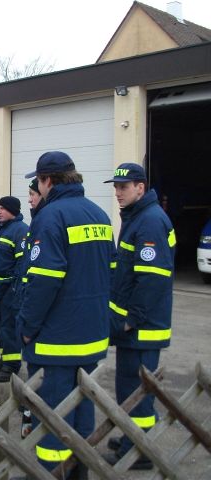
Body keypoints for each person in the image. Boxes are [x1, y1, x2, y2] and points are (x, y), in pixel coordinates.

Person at [16, 151, 114, 478]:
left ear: (47, 181)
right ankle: (78, 474)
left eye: (38, 182)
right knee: (82, 414)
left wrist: (27, 327)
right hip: (91, 337)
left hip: (57, 341)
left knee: (52, 422)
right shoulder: (100, 215)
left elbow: (44, 280)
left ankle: (51, 473)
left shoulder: (50, 216)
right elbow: (110, 272)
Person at [102, 163, 175, 470]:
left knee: (138, 392)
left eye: (124, 186)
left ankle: (141, 451)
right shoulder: (138, 217)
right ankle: (134, 438)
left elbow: (152, 278)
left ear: (140, 188)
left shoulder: (150, 222)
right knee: (129, 389)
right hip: (134, 328)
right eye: (116, 187)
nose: (118, 192)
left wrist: (132, 318)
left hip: (142, 329)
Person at [0, 196, 28, 382]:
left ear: (13, 210)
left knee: (9, 327)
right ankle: (5, 358)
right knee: (0, 326)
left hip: (9, 288)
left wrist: (15, 288)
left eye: (3, 208)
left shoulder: (21, 230)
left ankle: (12, 365)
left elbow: (22, 263)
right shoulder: (3, 229)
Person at [15, 178, 46, 438]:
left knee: (42, 382)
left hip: (42, 326)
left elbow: (43, 280)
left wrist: (28, 326)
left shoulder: (46, 222)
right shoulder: (38, 221)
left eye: (32, 194)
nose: (29, 200)